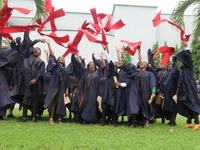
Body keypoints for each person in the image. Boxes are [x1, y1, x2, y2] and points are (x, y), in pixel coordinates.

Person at [11, 31, 46, 123]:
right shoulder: (26, 57)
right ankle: (24, 117)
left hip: (35, 84)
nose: (35, 50)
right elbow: (29, 45)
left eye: (37, 50)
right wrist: (38, 40)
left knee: (34, 100)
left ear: (40, 53)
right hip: (26, 83)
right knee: (25, 100)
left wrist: (36, 79)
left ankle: (34, 117)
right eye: (35, 49)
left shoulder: (41, 62)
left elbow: (42, 72)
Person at [121, 47, 156, 128]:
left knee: (144, 106)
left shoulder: (149, 74)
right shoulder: (135, 71)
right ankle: (132, 123)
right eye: (141, 62)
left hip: (145, 92)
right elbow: (128, 63)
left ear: (147, 66)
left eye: (144, 62)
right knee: (133, 106)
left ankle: (144, 123)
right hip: (134, 91)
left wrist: (153, 92)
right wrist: (123, 53)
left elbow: (153, 83)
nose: (142, 62)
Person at [173, 39, 200, 130]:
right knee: (186, 103)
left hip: (190, 88)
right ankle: (189, 122)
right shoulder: (185, 68)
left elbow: (188, 56)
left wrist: (186, 46)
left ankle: (197, 122)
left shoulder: (190, 66)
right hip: (185, 88)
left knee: (192, 102)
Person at [43, 39, 70, 124]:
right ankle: (51, 118)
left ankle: (59, 119)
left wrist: (67, 90)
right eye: (60, 58)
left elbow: (67, 81)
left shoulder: (65, 70)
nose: (62, 58)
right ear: (58, 61)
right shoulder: (56, 67)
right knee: (54, 103)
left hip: (62, 89)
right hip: (55, 88)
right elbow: (52, 56)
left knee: (60, 103)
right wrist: (49, 45)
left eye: (63, 58)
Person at [71, 54, 100, 125]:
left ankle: (90, 120)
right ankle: (83, 118)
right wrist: (77, 55)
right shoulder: (85, 73)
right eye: (90, 65)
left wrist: (96, 96)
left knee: (90, 107)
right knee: (81, 105)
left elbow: (97, 87)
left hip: (92, 94)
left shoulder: (96, 76)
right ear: (88, 67)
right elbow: (81, 65)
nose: (92, 66)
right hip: (83, 93)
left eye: (93, 65)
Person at [0, 39, 20, 120]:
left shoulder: (2, 54)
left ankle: (1, 115)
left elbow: (13, 55)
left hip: (2, 81)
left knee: (2, 96)